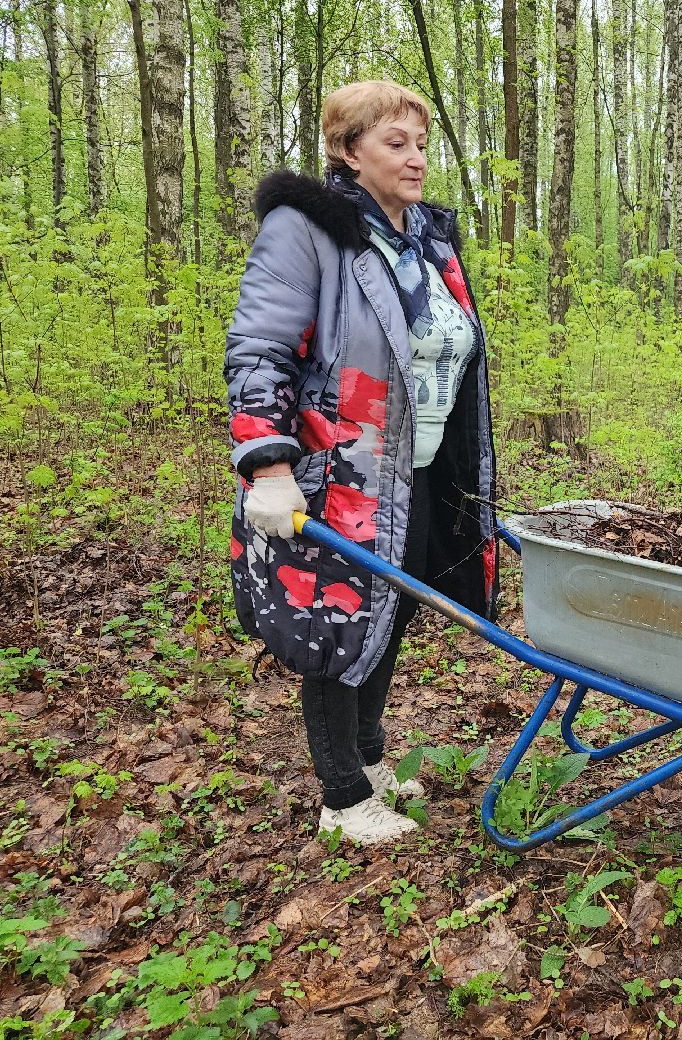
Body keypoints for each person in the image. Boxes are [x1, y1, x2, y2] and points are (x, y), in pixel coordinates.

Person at [224, 80, 498, 845]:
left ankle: (369, 760)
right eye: (395, 143)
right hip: (339, 472)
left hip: (416, 473)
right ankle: (342, 799)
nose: (416, 159)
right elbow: (258, 350)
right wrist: (267, 467)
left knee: (391, 607)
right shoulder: (308, 230)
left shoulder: (427, 239)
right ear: (348, 152)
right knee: (336, 625)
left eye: (420, 143)